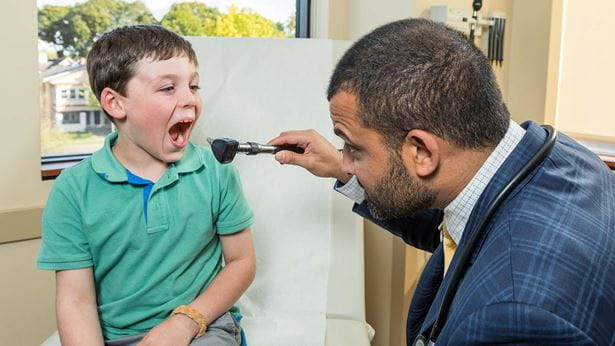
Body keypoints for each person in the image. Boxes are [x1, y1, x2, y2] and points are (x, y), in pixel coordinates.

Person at [269, 19, 615, 344]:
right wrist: (344, 169)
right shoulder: (558, 157)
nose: (345, 158)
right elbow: (461, 225)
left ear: (421, 151)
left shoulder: (513, 318)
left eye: (354, 149)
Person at [37, 25, 255, 346]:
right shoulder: (73, 190)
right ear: (115, 103)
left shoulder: (216, 173)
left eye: (194, 86)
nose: (190, 100)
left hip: (202, 326)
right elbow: (75, 302)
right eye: (168, 88)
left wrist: (185, 323)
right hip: (115, 337)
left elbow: (242, 262)